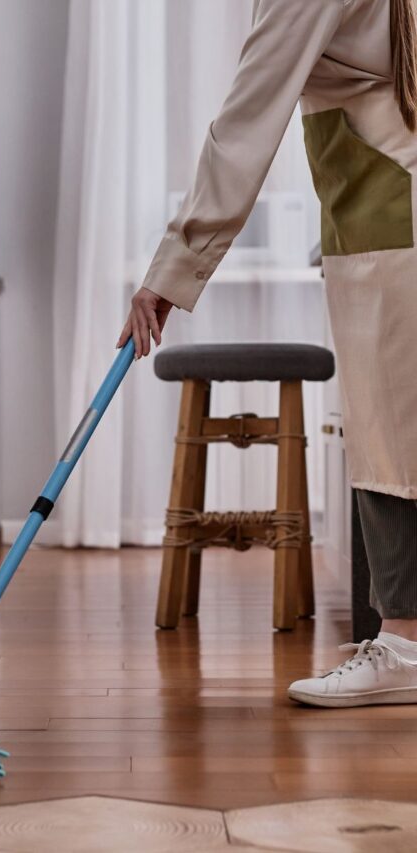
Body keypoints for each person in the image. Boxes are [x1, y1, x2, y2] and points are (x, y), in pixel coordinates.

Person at [118, 0, 417, 708]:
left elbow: (248, 119)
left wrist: (174, 267)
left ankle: (404, 644)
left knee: (388, 439)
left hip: (393, 219)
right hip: (387, 211)